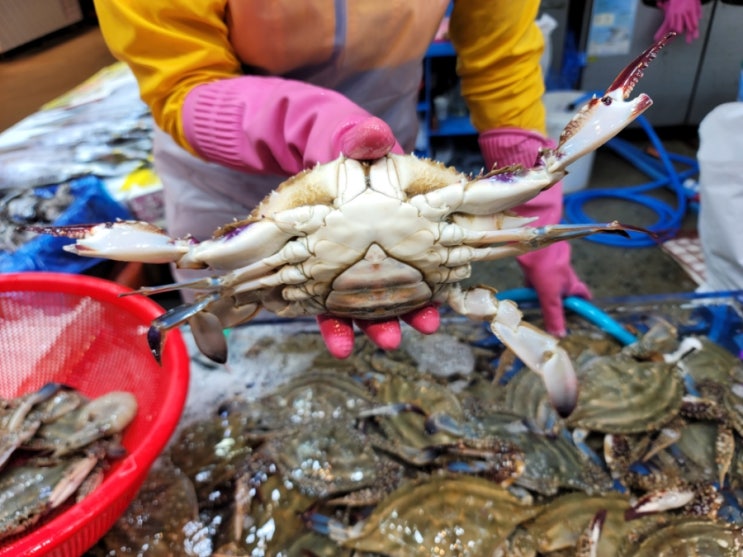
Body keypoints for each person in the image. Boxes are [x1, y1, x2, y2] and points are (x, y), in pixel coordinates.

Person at [92, 0, 591, 358]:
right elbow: (180, 77)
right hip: (229, 174)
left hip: (387, 140)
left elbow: (502, 55)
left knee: (378, 362)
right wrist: (300, 119)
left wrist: (537, 222)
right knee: (239, 325)